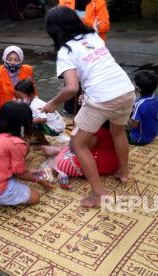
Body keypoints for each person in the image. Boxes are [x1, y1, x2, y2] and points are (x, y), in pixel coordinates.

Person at [43, 7, 136, 207]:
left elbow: (71, 87)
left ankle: (99, 194)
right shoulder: (93, 36)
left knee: (78, 144)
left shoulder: (65, 51)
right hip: (126, 90)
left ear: (54, 30)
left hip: (103, 98)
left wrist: (53, 103)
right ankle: (124, 172)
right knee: (118, 132)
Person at [0, 102, 56, 208]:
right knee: (35, 197)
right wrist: (40, 181)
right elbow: (20, 174)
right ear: (24, 124)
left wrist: (31, 172)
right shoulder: (16, 143)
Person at [41, 121, 119, 177]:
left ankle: (56, 160)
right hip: (113, 162)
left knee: (66, 157)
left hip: (97, 166)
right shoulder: (117, 128)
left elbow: (80, 148)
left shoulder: (95, 130)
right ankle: (59, 151)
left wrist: (77, 126)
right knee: (69, 148)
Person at [0, 46, 37, 120]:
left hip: (23, 112)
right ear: (4, 59)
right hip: (4, 114)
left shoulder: (28, 69)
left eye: (17, 60)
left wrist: (36, 106)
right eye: (9, 59)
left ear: (21, 60)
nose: (13, 63)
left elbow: (32, 91)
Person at [128, 71, 158, 145]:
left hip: (140, 139)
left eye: (135, 83)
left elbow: (134, 125)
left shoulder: (139, 105)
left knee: (117, 131)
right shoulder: (154, 98)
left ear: (139, 89)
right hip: (153, 133)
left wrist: (124, 116)